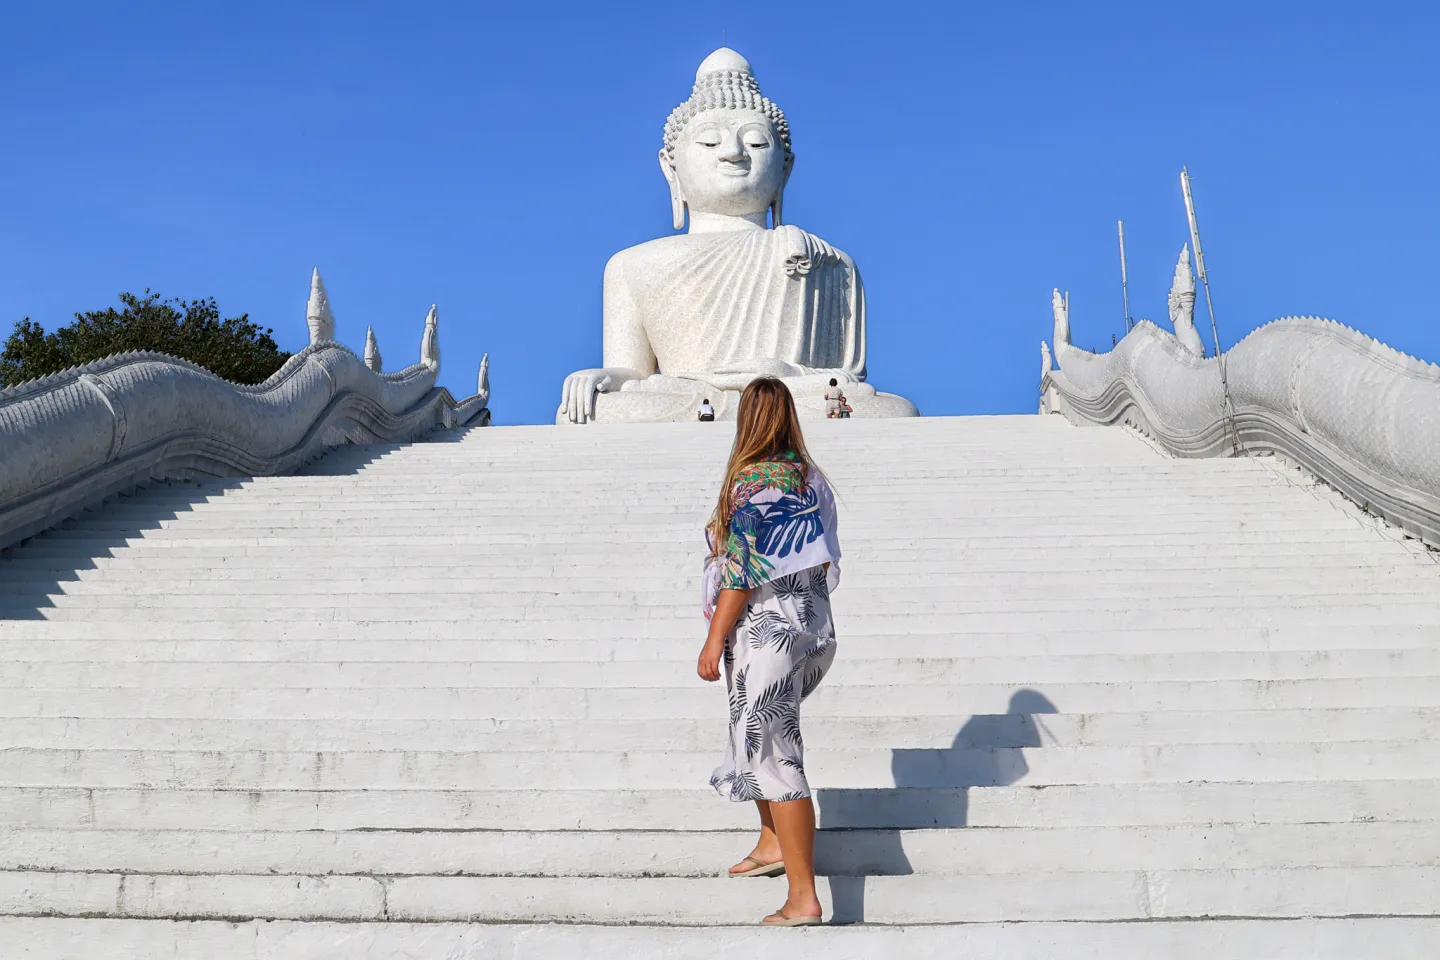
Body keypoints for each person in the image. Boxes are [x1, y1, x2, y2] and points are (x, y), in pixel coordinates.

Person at [697, 376, 841, 927]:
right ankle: (771, 841)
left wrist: (714, 639)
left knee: (776, 754)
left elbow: (741, 569)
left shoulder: (756, 482)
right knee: (754, 736)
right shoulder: (809, 480)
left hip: (767, 629)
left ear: (746, 420)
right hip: (805, 625)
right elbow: (828, 560)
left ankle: (803, 898)